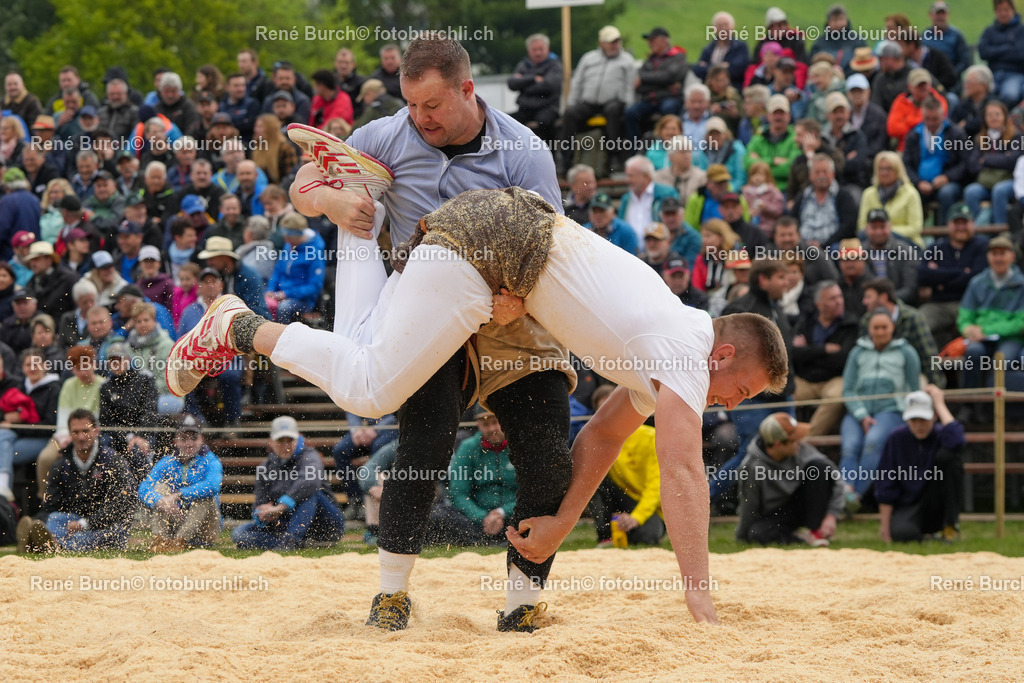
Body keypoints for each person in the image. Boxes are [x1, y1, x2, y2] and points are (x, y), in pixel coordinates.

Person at [168, 184, 789, 628]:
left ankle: (356, 209)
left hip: (504, 242)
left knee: (369, 358)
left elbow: (602, 438)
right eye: (746, 389)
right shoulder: (688, 345)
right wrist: (700, 596)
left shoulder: (669, 349)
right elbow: (683, 470)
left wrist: (560, 525)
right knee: (371, 387)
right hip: (496, 239)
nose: (733, 404)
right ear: (727, 353)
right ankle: (237, 324)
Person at [16, 409, 134, 553]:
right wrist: (40, 521)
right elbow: (50, 506)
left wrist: (85, 523)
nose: (81, 437)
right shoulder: (60, 465)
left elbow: (122, 503)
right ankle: (47, 541)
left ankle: (45, 545)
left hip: (106, 524)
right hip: (73, 520)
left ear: (96, 431)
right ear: (69, 434)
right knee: (54, 518)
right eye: (75, 432)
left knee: (89, 537)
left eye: (85, 431)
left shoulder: (113, 461)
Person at [841, 308, 921, 503]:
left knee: (872, 443)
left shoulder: (907, 352)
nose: (880, 332)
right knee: (850, 446)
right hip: (858, 412)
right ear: (869, 329)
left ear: (892, 328)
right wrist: (861, 415)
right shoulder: (857, 352)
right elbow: (848, 389)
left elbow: (913, 388)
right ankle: (843, 491)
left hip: (890, 411)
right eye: (875, 328)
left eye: (884, 327)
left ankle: (854, 497)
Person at [232, 415, 346, 550]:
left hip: (325, 522)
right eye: (280, 441)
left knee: (310, 492)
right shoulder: (265, 467)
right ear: (271, 442)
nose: (285, 445)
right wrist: (263, 515)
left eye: (290, 440)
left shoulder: (310, 456)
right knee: (239, 534)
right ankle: (293, 542)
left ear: (297, 439)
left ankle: (290, 540)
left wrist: (281, 506)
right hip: (285, 522)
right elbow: (259, 503)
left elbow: (310, 482)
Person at [735, 413, 845, 547]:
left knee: (820, 468)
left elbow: (836, 478)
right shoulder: (751, 466)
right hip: (775, 513)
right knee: (757, 533)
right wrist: (742, 535)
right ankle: (803, 539)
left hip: (802, 503)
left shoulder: (802, 449)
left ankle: (815, 532)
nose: (800, 442)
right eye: (794, 440)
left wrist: (831, 515)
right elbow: (749, 505)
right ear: (777, 444)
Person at [877, 386, 964, 542]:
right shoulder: (896, 437)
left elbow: (958, 440)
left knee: (951, 458)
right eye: (914, 420)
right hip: (909, 504)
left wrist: (939, 403)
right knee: (902, 534)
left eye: (923, 419)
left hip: (936, 500)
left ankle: (951, 526)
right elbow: (886, 482)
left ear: (934, 416)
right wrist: (885, 528)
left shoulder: (941, 435)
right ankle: (929, 537)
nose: (919, 425)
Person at [559, 25, 636, 175]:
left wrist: (629, 105)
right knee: (570, 113)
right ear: (602, 43)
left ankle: (613, 157)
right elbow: (578, 82)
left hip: (614, 102)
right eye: (611, 42)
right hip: (589, 102)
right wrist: (572, 102)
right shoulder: (588, 58)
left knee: (612, 111)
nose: (615, 45)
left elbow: (630, 85)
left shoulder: (627, 60)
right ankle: (565, 159)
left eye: (617, 41)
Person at [139, 414, 222, 551]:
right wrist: (160, 501)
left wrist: (179, 495)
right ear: (175, 441)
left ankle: (180, 540)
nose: (189, 444)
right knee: (160, 488)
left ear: (202, 439)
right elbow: (144, 487)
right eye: (183, 439)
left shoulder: (211, 461)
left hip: (205, 529)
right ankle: (161, 539)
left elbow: (213, 486)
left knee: (206, 497)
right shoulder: (167, 462)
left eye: (194, 438)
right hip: (176, 518)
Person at [956, 235, 1024, 403]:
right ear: (988, 257)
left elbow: (1021, 322)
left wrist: (987, 330)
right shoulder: (976, 283)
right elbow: (964, 316)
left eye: (1002, 253)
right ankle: (969, 404)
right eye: (994, 253)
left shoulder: (1022, 284)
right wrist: (968, 329)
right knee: (972, 353)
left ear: (1012, 256)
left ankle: (996, 408)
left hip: (1010, 338)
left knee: (1002, 360)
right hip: (980, 338)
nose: (998, 258)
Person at [917, 204, 990, 349]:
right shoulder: (936, 247)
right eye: (957, 223)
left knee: (979, 331)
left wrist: (940, 277)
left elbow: (977, 277)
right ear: (948, 224)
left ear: (973, 224)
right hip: (938, 305)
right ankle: (930, 366)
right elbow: (923, 276)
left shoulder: (982, 246)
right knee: (918, 323)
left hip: (970, 305)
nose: (961, 227)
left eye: (965, 223)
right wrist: (962, 272)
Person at [792, 280, 859, 436]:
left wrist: (808, 351)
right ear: (819, 305)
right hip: (805, 380)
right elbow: (793, 353)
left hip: (834, 379)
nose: (839, 302)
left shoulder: (851, 324)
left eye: (840, 297)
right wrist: (823, 349)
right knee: (782, 393)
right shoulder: (807, 321)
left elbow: (842, 360)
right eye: (832, 299)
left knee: (836, 398)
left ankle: (805, 441)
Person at [590, 417, 666, 547]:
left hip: (650, 505)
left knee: (647, 536)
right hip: (622, 496)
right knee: (593, 481)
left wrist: (637, 517)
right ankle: (605, 536)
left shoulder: (650, 437)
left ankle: (624, 531)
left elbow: (656, 485)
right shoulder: (600, 440)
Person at [902, 98, 968, 224]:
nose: (931, 123)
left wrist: (947, 177)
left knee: (946, 193)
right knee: (909, 193)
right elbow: (907, 164)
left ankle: (944, 233)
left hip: (947, 182)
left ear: (942, 116)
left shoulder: (955, 134)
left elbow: (965, 163)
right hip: (920, 184)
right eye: (927, 119)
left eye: (935, 119)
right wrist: (918, 182)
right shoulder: (914, 135)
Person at [624, 27, 688, 147]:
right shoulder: (649, 60)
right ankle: (636, 152)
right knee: (630, 113)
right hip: (650, 100)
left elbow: (670, 76)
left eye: (652, 40)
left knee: (669, 108)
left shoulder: (678, 56)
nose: (649, 44)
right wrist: (664, 85)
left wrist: (645, 79)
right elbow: (638, 86)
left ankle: (670, 148)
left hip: (670, 99)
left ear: (664, 40)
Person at [963, 100, 1024, 226]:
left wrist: (985, 159)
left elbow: (1012, 161)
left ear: (1004, 116)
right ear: (984, 118)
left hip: (1009, 180)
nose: (993, 118)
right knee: (971, 191)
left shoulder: (1016, 136)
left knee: (999, 190)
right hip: (986, 182)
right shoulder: (980, 138)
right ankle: (979, 228)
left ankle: (999, 230)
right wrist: (1001, 159)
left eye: (997, 114)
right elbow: (972, 165)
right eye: (989, 115)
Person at [265, 212, 325, 323]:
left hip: (302, 300)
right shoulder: (289, 244)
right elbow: (277, 271)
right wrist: (270, 290)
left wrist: (286, 294)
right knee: (262, 301)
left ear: (300, 235)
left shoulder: (314, 253)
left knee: (284, 307)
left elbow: (315, 286)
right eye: (286, 239)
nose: (288, 243)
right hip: (280, 293)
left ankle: (282, 336)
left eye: (291, 239)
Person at [858, 155, 925, 248]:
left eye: (889, 169)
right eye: (881, 169)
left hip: (906, 240)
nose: (884, 173)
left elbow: (915, 228)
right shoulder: (868, 193)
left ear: (898, 170)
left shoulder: (911, 193)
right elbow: (862, 225)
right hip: (873, 241)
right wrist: (878, 232)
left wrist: (886, 231)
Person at [507, 34, 562, 144]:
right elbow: (511, 83)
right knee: (505, 124)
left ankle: (549, 159)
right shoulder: (523, 64)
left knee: (540, 127)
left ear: (547, 49)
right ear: (528, 50)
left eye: (541, 49)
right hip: (525, 109)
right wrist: (533, 78)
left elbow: (549, 86)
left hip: (547, 108)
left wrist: (523, 82)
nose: (538, 53)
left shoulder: (555, 65)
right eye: (534, 50)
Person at [617, 156, 680, 243]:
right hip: (629, 253)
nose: (627, 180)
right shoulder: (626, 199)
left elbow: (676, 226)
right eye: (627, 175)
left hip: (659, 252)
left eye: (631, 176)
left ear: (646, 176)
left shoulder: (667, 194)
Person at [744, 94, 799, 193]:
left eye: (781, 113)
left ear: (789, 116)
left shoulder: (796, 139)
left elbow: (791, 169)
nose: (778, 117)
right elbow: (748, 164)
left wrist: (760, 165)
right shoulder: (757, 139)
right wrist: (773, 161)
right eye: (774, 113)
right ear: (768, 116)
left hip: (785, 190)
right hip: (757, 191)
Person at [978, 0, 1024, 106]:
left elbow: (1020, 54)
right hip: (992, 74)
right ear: (995, 12)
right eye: (999, 10)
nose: (1003, 13)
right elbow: (983, 52)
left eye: (1006, 10)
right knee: (980, 94)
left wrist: (995, 52)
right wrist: (1008, 47)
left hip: (1015, 74)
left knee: (1010, 95)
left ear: (1013, 10)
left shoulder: (1021, 31)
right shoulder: (989, 31)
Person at [693, 12, 750, 90]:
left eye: (726, 25)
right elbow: (698, 70)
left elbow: (737, 70)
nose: (723, 29)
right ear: (714, 29)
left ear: (732, 27)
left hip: (732, 88)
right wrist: (721, 66)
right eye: (719, 26)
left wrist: (709, 67)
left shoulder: (740, 47)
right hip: (710, 89)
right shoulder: (709, 48)